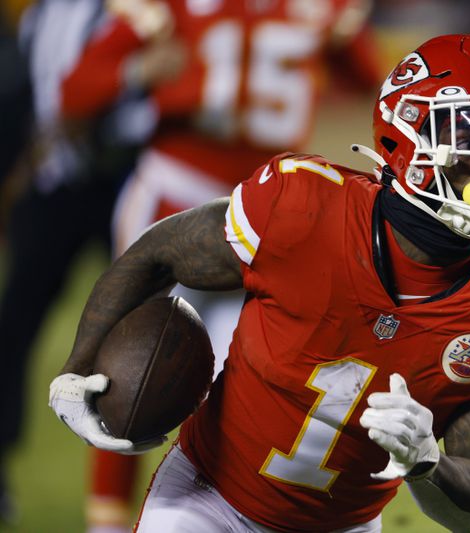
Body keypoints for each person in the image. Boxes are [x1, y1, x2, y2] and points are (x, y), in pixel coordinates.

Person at [48, 34, 470, 532]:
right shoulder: (301, 207)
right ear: (406, 135)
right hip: (208, 500)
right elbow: (156, 254)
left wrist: (428, 466)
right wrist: (76, 368)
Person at [58, 0, 383, 529]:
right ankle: (109, 521)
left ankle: (218, 512)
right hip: (179, 195)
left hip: (268, 215)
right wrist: (139, 70)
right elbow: (76, 92)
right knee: (126, 363)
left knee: (249, 374)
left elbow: (373, 79)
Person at [0, 0, 166, 523]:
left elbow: (162, 80)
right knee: (13, 327)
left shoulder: (134, 10)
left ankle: (157, 493)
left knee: (145, 327)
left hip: (120, 176)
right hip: (53, 182)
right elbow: (28, 92)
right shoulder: (38, 14)